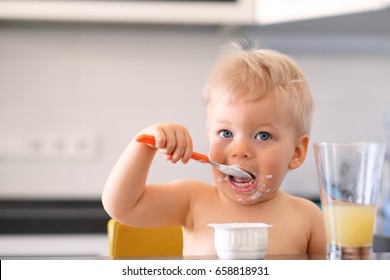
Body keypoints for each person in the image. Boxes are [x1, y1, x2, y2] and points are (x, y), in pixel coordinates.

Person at [102, 41, 326, 256]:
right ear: (210, 138)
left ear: (296, 153)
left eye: (262, 135)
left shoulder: (307, 218)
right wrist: (145, 143)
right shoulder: (192, 201)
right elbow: (122, 206)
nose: (240, 150)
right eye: (226, 133)